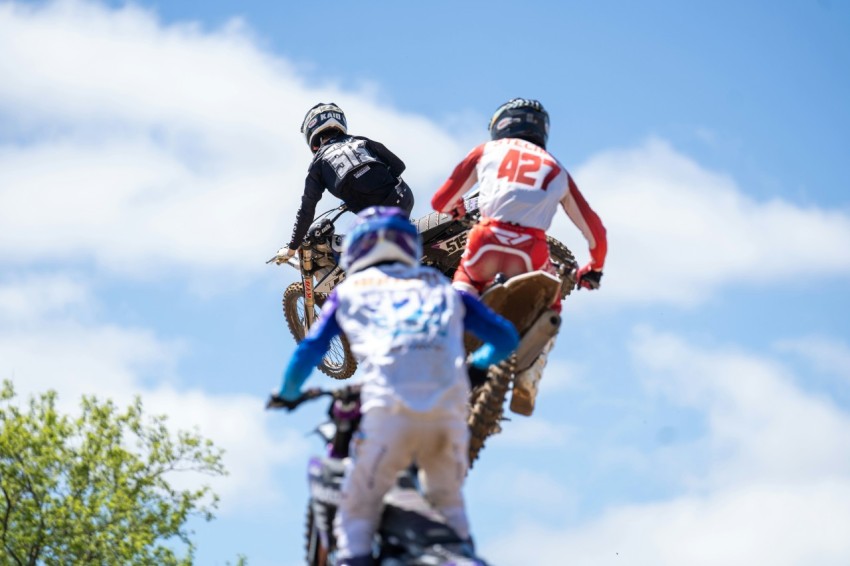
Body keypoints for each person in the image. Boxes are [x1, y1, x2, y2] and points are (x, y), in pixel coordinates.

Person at [270, 207, 519, 565]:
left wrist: (287, 394)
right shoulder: (446, 289)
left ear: (356, 249)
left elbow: (310, 349)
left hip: (389, 415)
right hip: (448, 417)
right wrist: (474, 369)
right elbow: (506, 339)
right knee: (450, 512)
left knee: (356, 510)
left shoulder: (350, 291)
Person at [430, 97, 608, 416]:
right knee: (551, 308)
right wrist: (593, 268)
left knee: (462, 290)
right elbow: (595, 230)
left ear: (500, 124)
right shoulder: (557, 169)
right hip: (531, 250)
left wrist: (453, 208)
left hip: (486, 241)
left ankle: (437, 360)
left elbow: (440, 200)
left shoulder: (485, 151)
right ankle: (528, 378)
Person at [272, 102, 415, 265]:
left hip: (375, 217)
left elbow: (307, 209)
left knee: (347, 254)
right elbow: (399, 166)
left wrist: (292, 248)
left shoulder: (318, 164)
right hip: (404, 199)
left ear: (312, 132)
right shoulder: (361, 141)